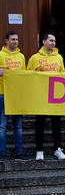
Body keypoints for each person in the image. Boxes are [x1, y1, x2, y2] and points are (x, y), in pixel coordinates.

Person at [27, 32, 65, 160]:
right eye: (51, 40)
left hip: (55, 96)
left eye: (54, 41)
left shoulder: (59, 57)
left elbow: (63, 74)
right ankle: (39, 150)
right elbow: (27, 76)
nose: (53, 43)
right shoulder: (34, 58)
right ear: (44, 42)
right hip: (41, 96)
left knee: (56, 123)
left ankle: (58, 149)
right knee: (40, 123)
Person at [0, 31, 29, 161]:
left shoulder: (21, 56)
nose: (15, 41)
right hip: (3, 93)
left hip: (17, 95)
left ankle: (19, 152)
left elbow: (23, 74)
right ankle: (2, 153)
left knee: (18, 126)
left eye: (17, 39)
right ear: (6, 41)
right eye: (12, 39)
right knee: (2, 126)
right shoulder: (0, 55)